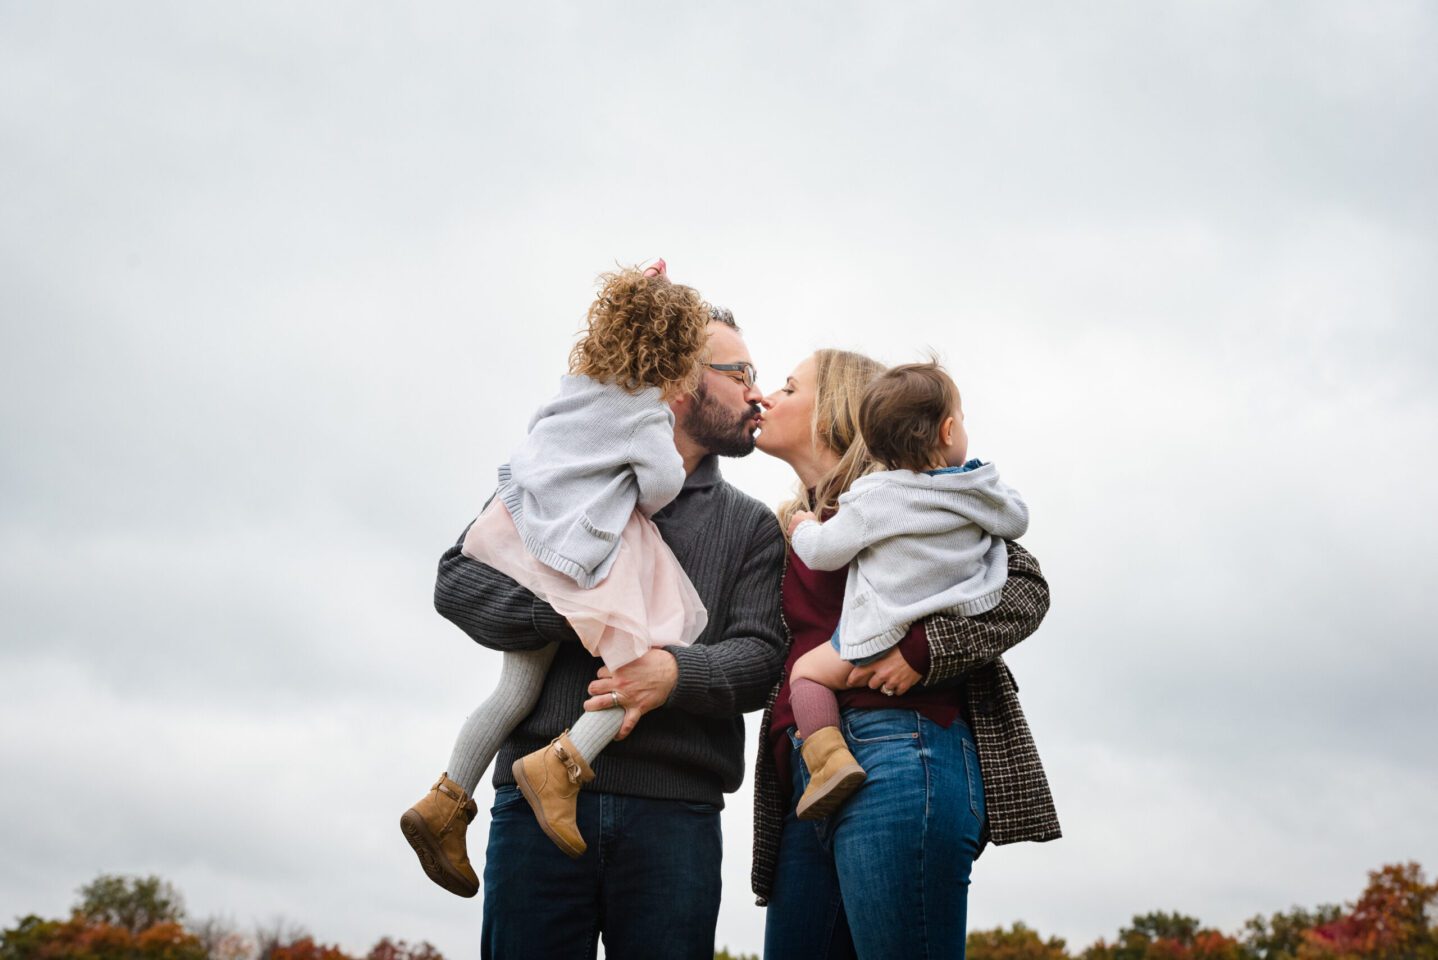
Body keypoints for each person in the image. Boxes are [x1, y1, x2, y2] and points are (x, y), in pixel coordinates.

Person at [433, 305, 786, 960]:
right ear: (682, 380)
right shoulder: (557, 482)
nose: (756, 392)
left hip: (676, 818)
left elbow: (764, 659)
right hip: (528, 819)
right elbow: (455, 582)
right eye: (741, 373)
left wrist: (673, 674)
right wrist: (567, 612)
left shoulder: (752, 525)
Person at [400, 260, 713, 896]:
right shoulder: (649, 413)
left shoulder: (577, 383)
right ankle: (563, 765)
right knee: (648, 647)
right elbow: (659, 486)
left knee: (515, 688)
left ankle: (445, 799)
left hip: (522, 536)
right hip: (581, 553)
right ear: (678, 358)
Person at [751, 349, 1060, 960]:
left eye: (787, 387)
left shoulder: (917, 504)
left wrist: (923, 649)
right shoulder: (790, 527)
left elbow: (1024, 587)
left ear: (834, 409)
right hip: (807, 779)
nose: (767, 397)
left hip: (901, 751)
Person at [783, 360, 1029, 822]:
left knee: (806, 673)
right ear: (950, 429)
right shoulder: (973, 492)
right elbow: (1016, 519)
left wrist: (802, 528)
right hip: (957, 613)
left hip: (880, 631)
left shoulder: (874, 499)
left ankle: (827, 759)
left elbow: (823, 553)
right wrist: (989, 487)